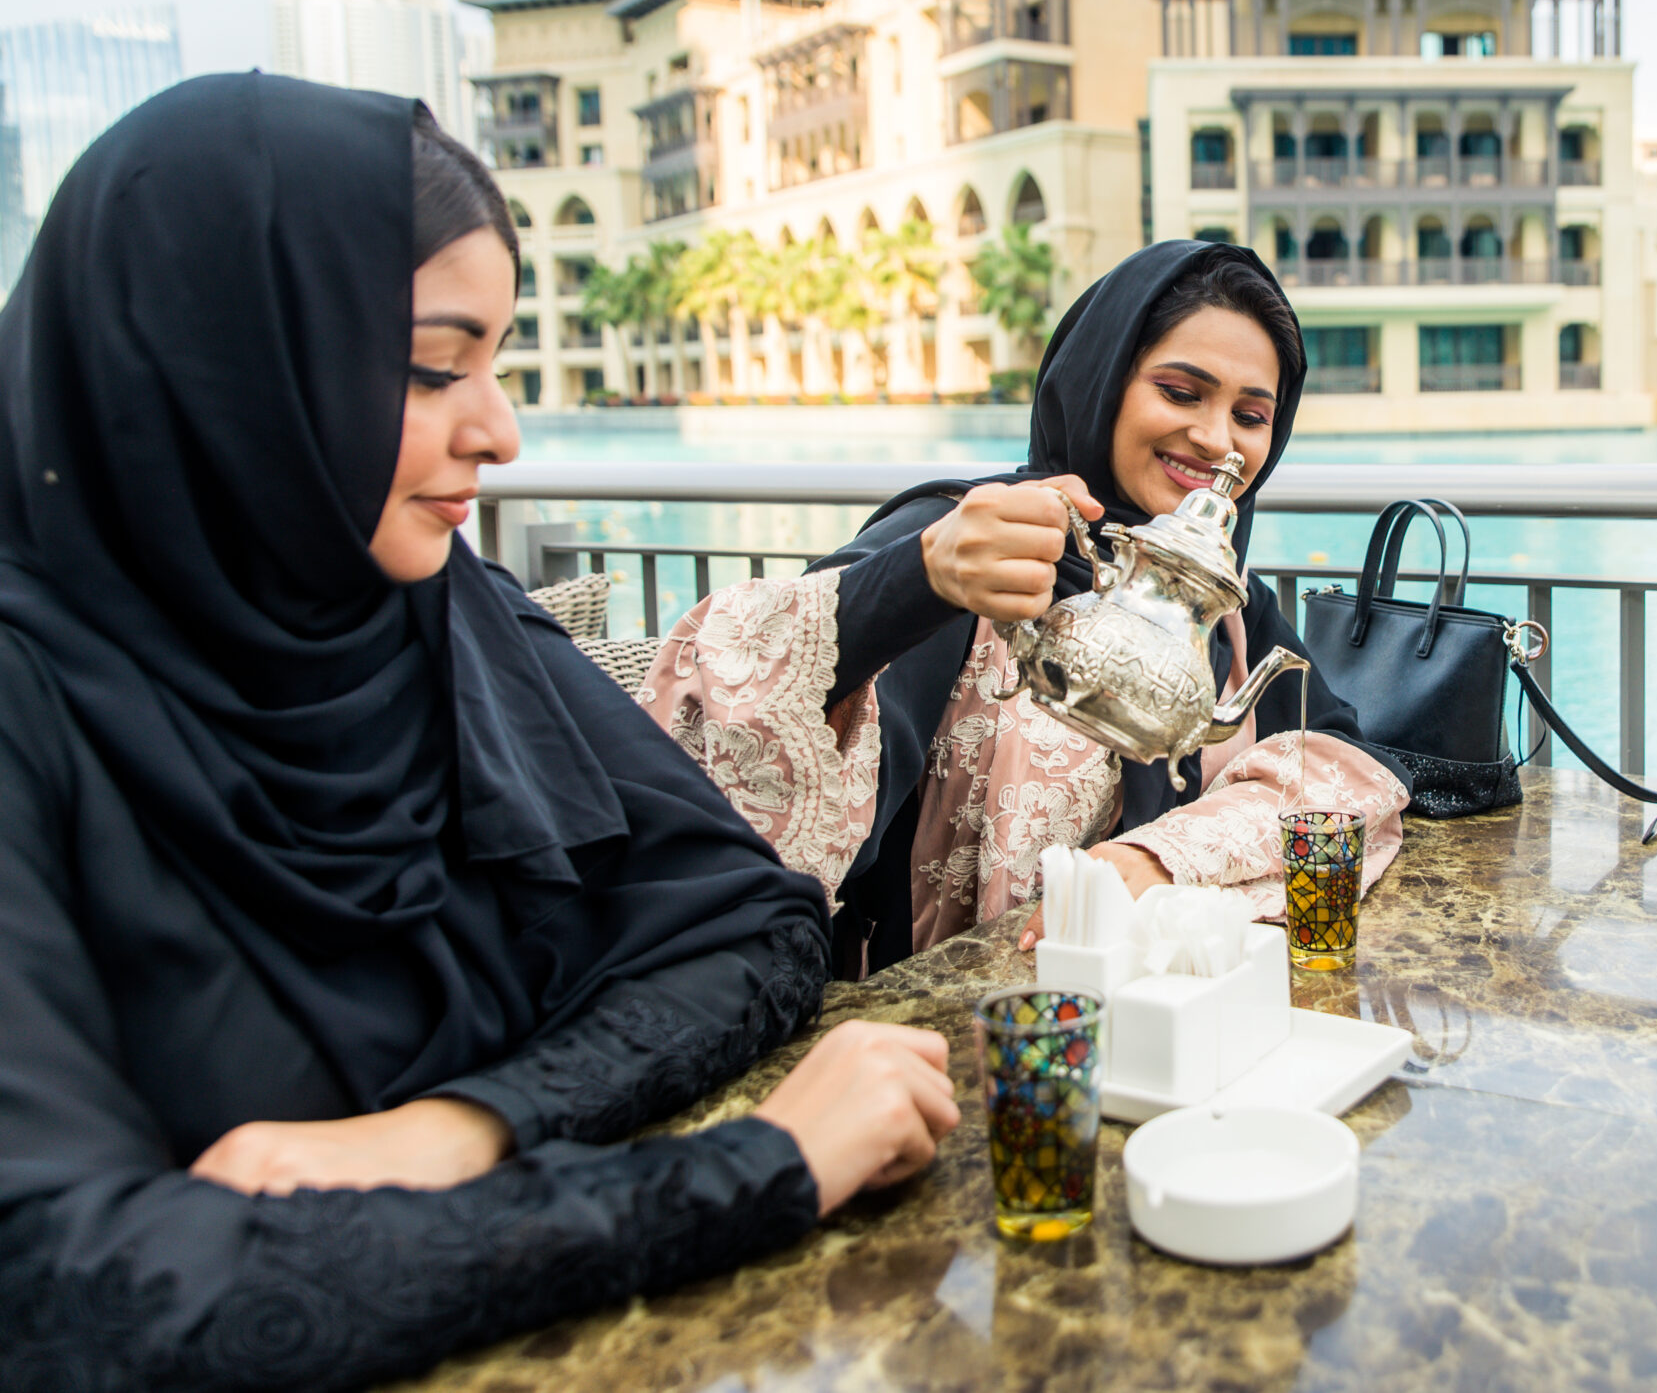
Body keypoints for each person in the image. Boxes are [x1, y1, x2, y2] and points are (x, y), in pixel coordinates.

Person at [0, 75, 959, 1393]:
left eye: (496, 363)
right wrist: (749, 1172)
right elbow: (71, 1288)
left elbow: (749, 921)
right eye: (433, 367)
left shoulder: (440, 621)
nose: (499, 431)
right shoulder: (28, 706)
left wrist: (453, 1130)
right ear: (226, 365)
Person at [639, 239, 1409, 976]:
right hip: (950, 1039)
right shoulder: (981, 552)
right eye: (1180, 392)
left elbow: (1345, 768)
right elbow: (724, 715)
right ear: (1102, 381)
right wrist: (919, 579)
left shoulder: (1216, 601)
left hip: (1165, 1029)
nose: (1216, 440)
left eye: (1250, 414)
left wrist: (1158, 857)